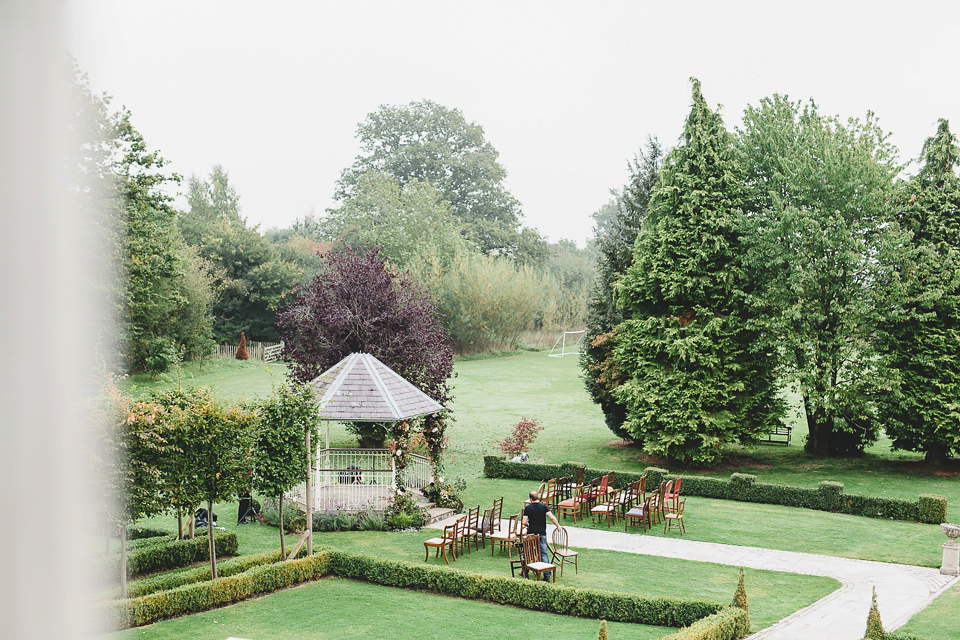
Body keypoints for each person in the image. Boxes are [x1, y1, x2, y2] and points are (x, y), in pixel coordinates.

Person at [522, 490, 560, 580]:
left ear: (531, 499)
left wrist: (528, 524)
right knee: (544, 554)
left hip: (531, 534)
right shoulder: (544, 507)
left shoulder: (528, 508)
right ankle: (547, 575)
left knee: (528, 553)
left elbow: (524, 521)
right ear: (537, 498)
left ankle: (525, 572)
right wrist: (558, 526)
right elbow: (552, 517)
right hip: (542, 533)